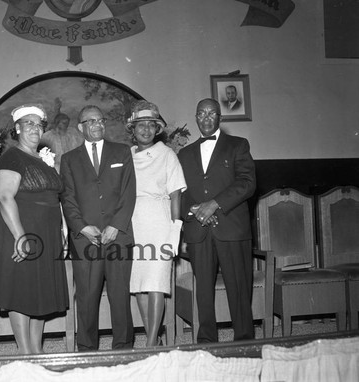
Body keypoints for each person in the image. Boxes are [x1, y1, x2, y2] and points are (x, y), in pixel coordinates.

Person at [0, 104, 69, 354]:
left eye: (38, 124)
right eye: (28, 123)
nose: (34, 128)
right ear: (17, 128)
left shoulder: (42, 158)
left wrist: (62, 232)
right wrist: (20, 236)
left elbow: (55, 200)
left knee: (39, 289)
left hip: (46, 232)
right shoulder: (12, 157)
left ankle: (36, 349)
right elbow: (4, 197)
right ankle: (25, 352)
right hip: (21, 230)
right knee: (22, 290)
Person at [178, 98, 256, 343]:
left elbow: (247, 183)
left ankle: (244, 341)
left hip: (231, 226)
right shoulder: (184, 153)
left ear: (220, 117)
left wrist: (214, 205)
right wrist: (195, 210)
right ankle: (206, 342)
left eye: (212, 113)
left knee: (238, 287)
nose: (206, 118)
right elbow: (180, 191)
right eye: (201, 113)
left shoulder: (238, 145)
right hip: (198, 228)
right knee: (203, 290)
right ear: (196, 117)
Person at [60, 105, 136, 351]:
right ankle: (86, 349)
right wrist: (82, 228)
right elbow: (68, 198)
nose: (97, 124)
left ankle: (123, 347)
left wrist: (116, 225)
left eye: (100, 120)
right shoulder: (69, 159)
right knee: (87, 297)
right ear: (81, 127)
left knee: (119, 295)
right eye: (90, 121)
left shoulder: (122, 152)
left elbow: (129, 192)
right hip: (86, 240)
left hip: (118, 237)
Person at [126, 100, 186, 347]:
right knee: (139, 283)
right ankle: (155, 338)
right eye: (141, 125)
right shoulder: (126, 155)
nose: (146, 130)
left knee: (156, 283)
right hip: (133, 222)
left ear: (158, 129)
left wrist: (175, 230)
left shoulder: (167, 154)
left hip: (159, 222)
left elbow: (176, 194)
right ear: (133, 128)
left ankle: (150, 344)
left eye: (151, 125)